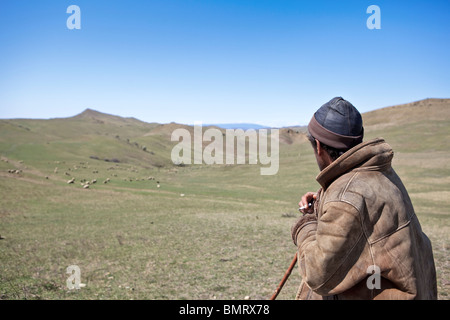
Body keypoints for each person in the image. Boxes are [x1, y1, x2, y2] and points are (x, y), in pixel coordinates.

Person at [291, 97, 437, 300]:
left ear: (318, 146)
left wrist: (306, 224)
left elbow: (318, 275)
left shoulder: (346, 198)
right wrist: (324, 203)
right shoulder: (380, 173)